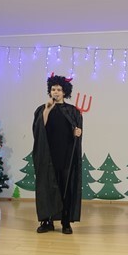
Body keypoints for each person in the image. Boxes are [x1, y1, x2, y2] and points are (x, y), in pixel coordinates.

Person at [32, 74, 83, 234]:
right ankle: (47, 221)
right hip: (48, 155)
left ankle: (66, 222)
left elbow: (76, 132)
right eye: (53, 89)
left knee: (65, 187)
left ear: (64, 92)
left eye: (59, 89)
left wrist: (77, 132)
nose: (56, 92)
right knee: (47, 187)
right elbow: (39, 128)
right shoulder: (42, 109)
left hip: (66, 155)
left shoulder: (72, 111)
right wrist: (48, 109)